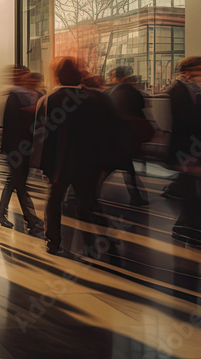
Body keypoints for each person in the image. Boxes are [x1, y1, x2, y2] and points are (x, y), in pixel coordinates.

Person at [31, 57, 117, 255]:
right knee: (88, 201)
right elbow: (104, 134)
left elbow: (40, 136)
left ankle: (52, 241)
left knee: (54, 201)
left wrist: (43, 165)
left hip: (58, 164)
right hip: (87, 162)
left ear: (57, 77)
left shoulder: (47, 100)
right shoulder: (94, 99)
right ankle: (103, 238)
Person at [163, 57, 201, 244]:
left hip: (192, 148)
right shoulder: (175, 91)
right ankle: (188, 228)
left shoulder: (193, 89)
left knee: (192, 188)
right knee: (193, 189)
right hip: (186, 147)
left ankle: (188, 227)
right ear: (189, 70)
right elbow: (172, 123)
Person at [0, 66, 43, 236]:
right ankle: (30, 219)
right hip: (16, 148)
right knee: (19, 183)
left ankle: (1, 212)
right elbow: (11, 126)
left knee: (14, 181)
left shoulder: (32, 95)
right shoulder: (16, 96)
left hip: (25, 147)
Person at [104, 66, 150, 206]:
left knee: (112, 167)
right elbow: (141, 112)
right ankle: (136, 196)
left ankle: (86, 195)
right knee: (122, 166)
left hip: (113, 137)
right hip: (128, 137)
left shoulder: (108, 92)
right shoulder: (134, 92)